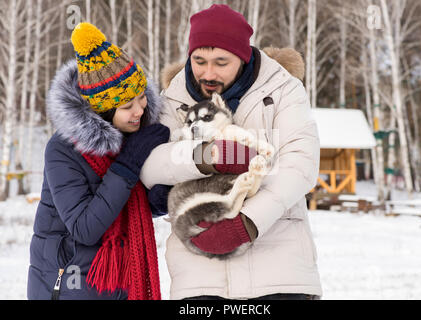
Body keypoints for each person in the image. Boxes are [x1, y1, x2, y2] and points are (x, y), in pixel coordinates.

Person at [140, 4, 322, 300]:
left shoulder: (284, 91)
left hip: (280, 271)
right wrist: (204, 157)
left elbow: (299, 163)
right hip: (199, 273)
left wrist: (248, 223)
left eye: (221, 62)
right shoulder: (172, 99)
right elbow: (150, 164)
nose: (207, 73)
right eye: (199, 60)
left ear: (243, 56)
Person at [27, 22, 170, 300]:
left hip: (121, 284)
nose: (139, 111)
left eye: (141, 99)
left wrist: (158, 199)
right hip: (68, 286)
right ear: (101, 110)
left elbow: (126, 208)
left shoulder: (131, 136)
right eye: (127, 106)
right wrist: (127, 167)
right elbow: (85, 228)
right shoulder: (62, 149)